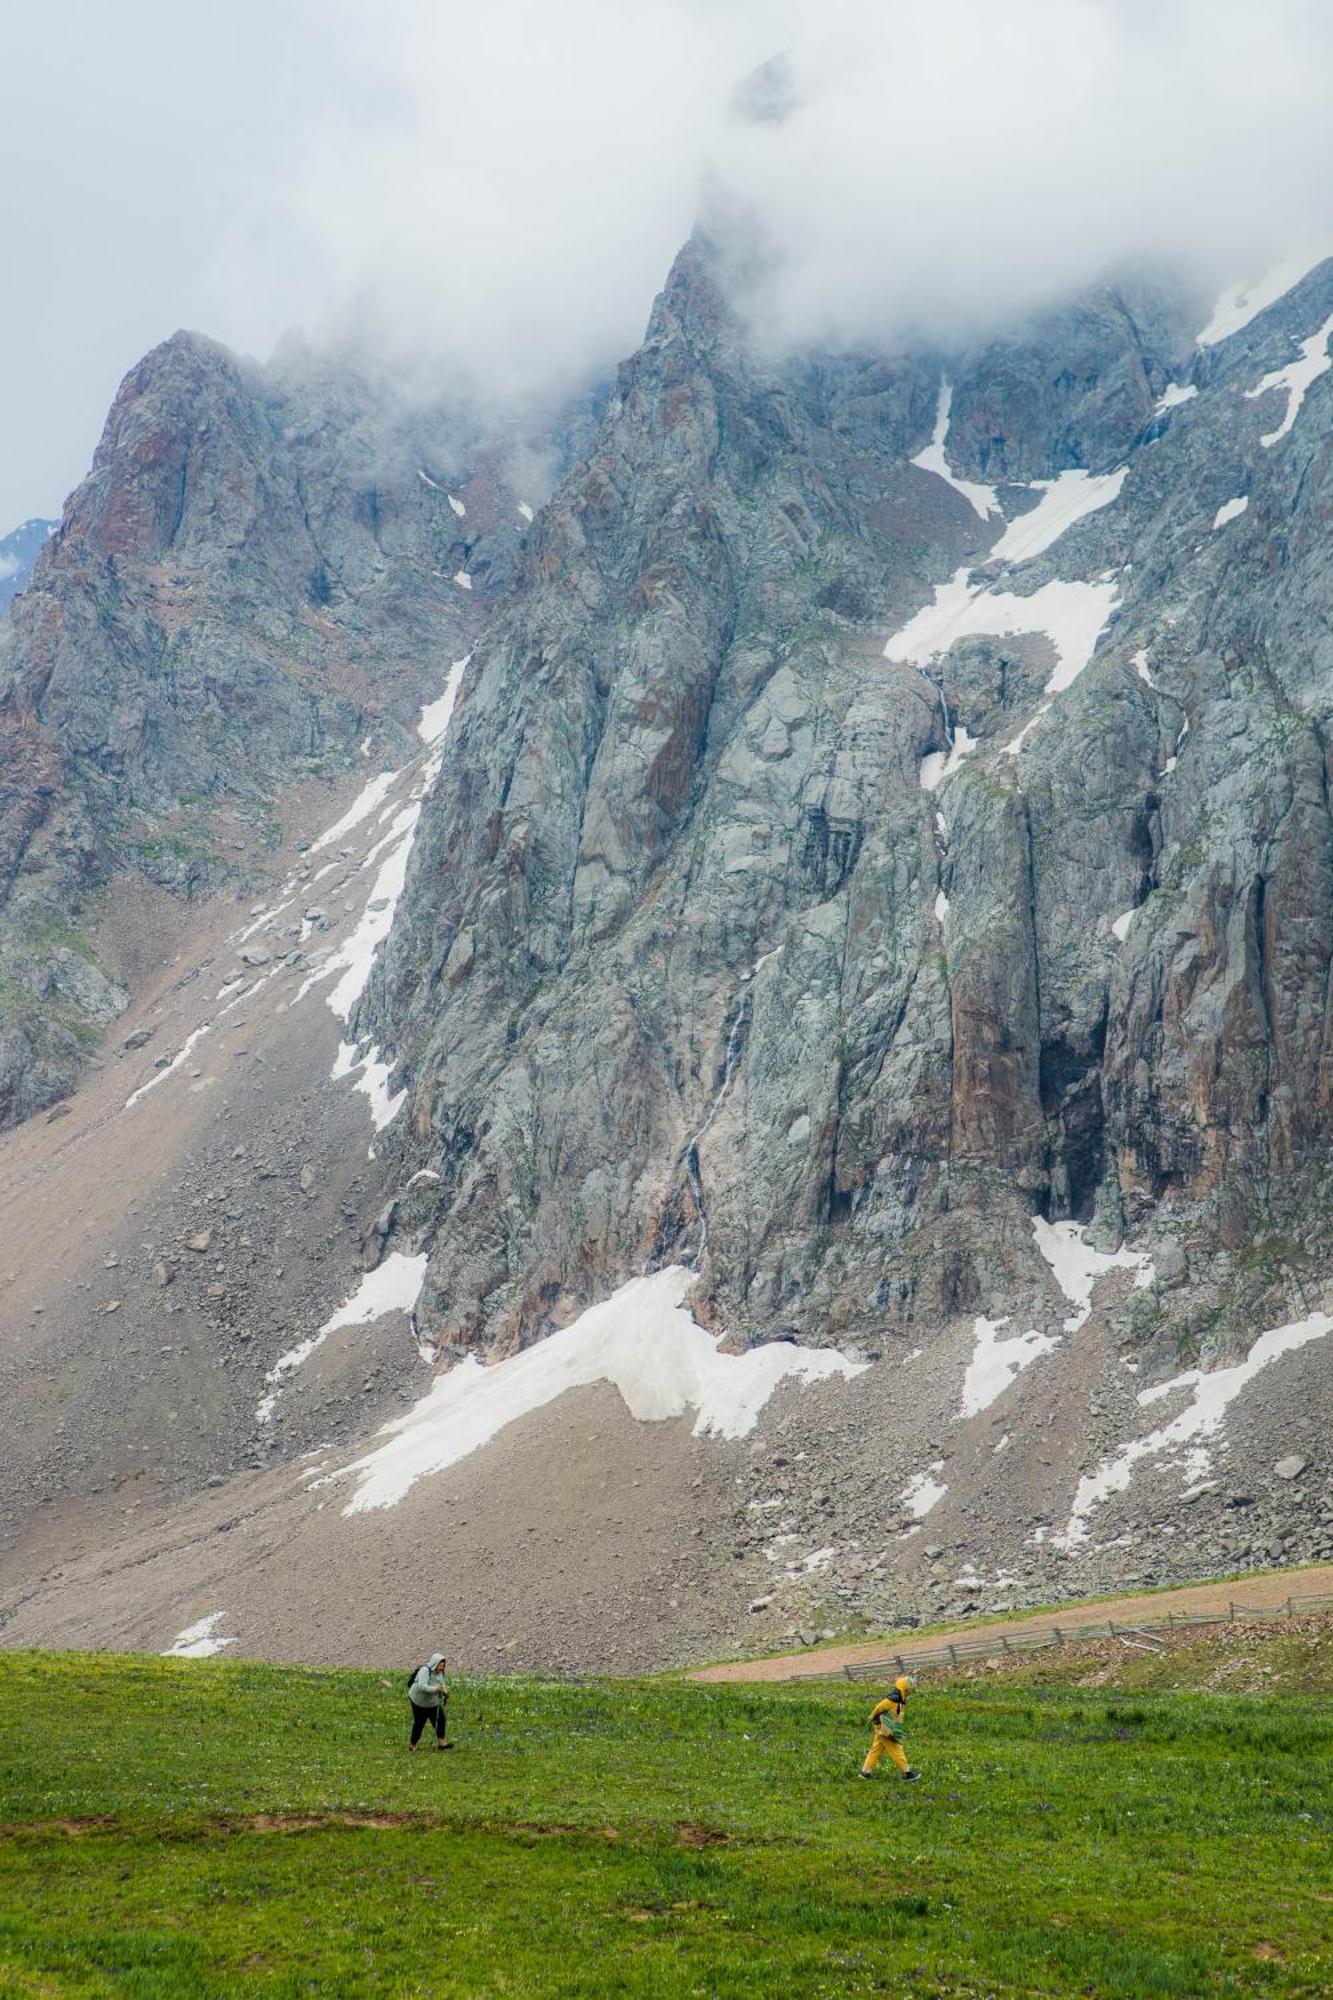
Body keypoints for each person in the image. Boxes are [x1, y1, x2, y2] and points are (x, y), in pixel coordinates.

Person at [859, 1673, 920, 1780]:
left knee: (876, 1749)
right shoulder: (894, 1698)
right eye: (909, 1690)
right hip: (884, 1727)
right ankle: (907, 1773)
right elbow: (879, 1707)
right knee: (896, 1748)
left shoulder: (900, 1698)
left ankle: (865, 1772)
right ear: (904, 1688)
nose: (910, 1692)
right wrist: (873, 1718)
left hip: (886, 1726)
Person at [407, 1652, 453, 1750]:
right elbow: (422, 1686)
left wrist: (445, 1692)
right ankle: (412, 1745)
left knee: (440, 1719)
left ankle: (442, 1743)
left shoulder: (440, 1672)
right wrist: (435, 1689)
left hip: (432, 1702)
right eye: (439, 1665)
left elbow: (442, 1682)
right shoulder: (425, 1671)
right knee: (420, 1722)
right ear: (434, 1663)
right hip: (419, 1701)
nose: (441, 1668)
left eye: (442, 1666)